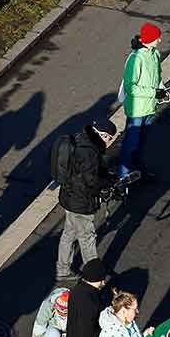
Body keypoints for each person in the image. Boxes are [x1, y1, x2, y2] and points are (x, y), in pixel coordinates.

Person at [56, 120, 116, 280]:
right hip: (81, 201)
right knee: (87, 238)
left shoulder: (80, 139)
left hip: (68, 196)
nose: (109, 142)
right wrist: (108, 182)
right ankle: (94, 276)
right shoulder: (89, 152)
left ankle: (63, 270)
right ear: (103, 135)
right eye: (109, 138)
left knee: (69, 233)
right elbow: (91, 181)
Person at [119, 22, 165, 180]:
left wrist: (161, 89)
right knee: (131, 144)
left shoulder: (155, 54)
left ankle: (138, 170)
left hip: (150, 107)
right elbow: (130, 88)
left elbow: (158, 75)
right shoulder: (135, 59)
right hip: (137, 110)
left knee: (142, 142)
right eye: (157, 38)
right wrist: (154, 93)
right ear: (149, 39)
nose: (159, 41)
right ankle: (123, 176)